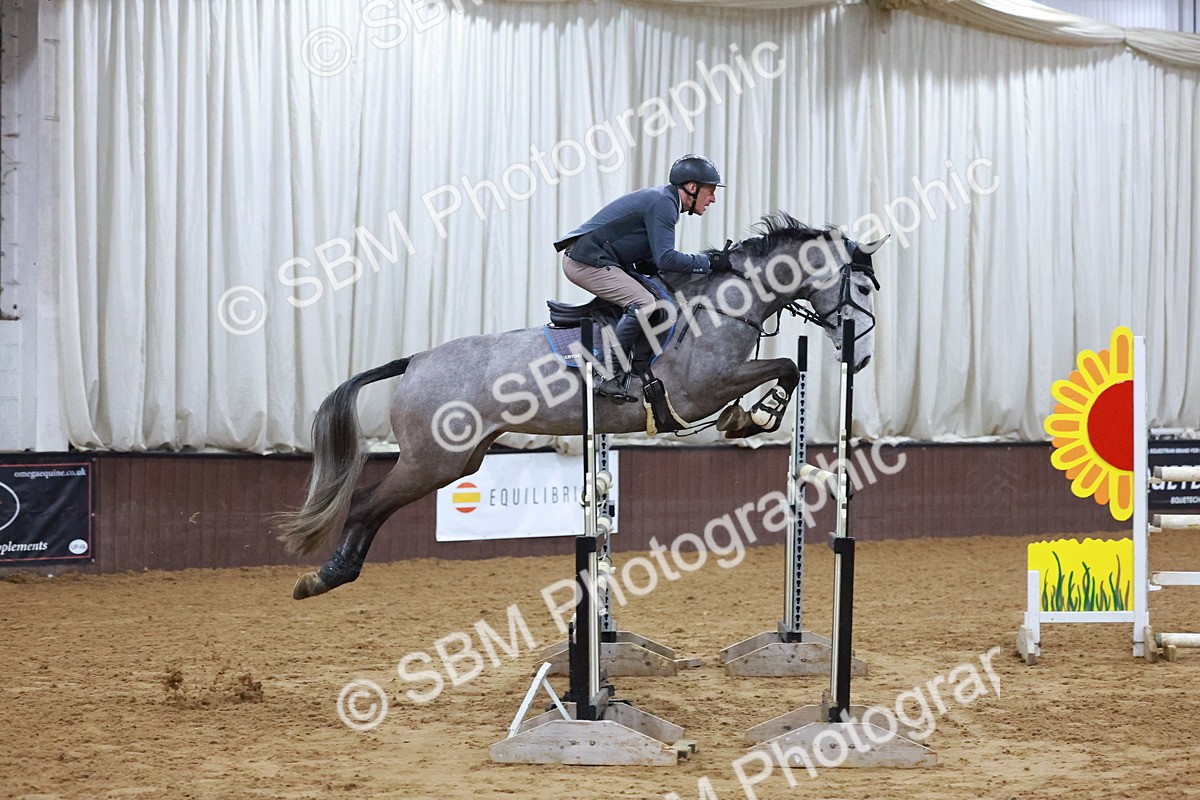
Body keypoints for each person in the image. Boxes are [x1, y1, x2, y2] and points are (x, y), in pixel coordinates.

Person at [554, 154, 734, 401]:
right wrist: (708, 261)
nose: (713, 199)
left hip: (599, 259)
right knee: (644, 303)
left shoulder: (665, 200)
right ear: (692, 187)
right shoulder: (664, 204)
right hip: (585, 262)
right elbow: (666, 259)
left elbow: (650, 261)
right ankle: (608, 375)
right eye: (710, 191)